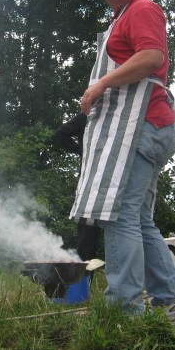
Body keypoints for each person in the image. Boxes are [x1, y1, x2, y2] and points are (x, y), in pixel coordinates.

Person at [70, 0, 175, 319]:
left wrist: (100, 84)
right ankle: (173, 299)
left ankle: (123, 308)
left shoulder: (142, 9)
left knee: (118, 213)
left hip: (142, 127)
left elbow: (152, 56)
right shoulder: (120, 18)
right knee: (139, 218)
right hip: (153, 128)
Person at [52, 113, 101, 263]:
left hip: (115, 182)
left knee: (118, 229)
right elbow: (61, 134)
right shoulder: (87, 117)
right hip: (89, 181)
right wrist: (82, 151)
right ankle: (83, 276)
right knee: (88, 232)